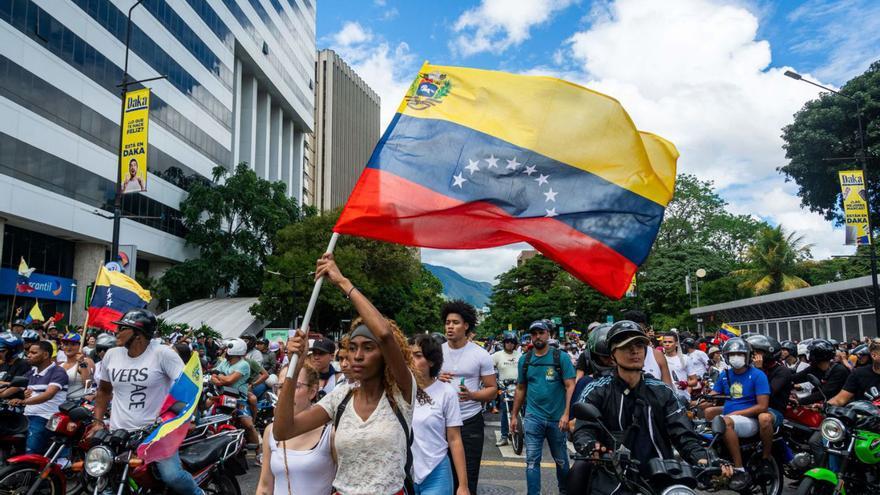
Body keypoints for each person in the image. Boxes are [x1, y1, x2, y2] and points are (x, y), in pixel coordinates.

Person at [273, 254, 416, 495]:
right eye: (352, 347)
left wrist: (342, 282)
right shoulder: (341, 397)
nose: (357, 356)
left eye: (368, 348)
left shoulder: (401, 392)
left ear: (385, 355)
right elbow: (283, 430)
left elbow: (384, 334)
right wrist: (294, 367)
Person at [571, 321, 721, 495]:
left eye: (639, 345)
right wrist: (591, 445)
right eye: (626, 346)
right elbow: (584, 430)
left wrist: (703, 458)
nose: (634, 351)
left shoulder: (662, 391)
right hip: (612, 476)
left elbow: (682, 433)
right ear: (612, 355)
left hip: (661, 476)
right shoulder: (597, 390)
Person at [88, 309, 202, 495]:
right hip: (119, 433)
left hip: (155, 434)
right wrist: (98, 422)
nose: (116, 332)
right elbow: (104, 390)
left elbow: (188, 386)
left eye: (122, 328)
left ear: (138, 334)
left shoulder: (163, 354)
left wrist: (186, 417)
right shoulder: (112, 355)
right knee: (105, 478)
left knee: (172, 476)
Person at [510, 320, 576, 495]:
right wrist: (514, 415)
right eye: (534, 333)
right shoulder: (525, 360)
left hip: (557, 419)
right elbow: (520, 388)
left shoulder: (560, 357)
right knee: (532, 461)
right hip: (533, 418)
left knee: (561, 461)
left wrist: (566, 414)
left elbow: (570, 385)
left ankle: (564, 491)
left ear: (549, 335)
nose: (537, 336)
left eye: (541, 333)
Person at [438, 300, 497, 494]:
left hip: (469, 420)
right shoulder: (436, 352)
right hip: (440, 421)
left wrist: (472, 395)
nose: (450, 326)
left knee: (468, 478)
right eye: (447, 322)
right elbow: (421, 381)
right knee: (442, 475)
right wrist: (436, 377)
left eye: (455, 322)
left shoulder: (480, 355)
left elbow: (492, 389)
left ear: (466, 326)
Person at [256, 363, 335, 495]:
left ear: (312, 392)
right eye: (281, 387)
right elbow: (265, 487)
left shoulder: (329, 433)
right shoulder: (271, 431)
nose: (286, 393)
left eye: (294, 386)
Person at [705, 337, 770, 490]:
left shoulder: (758, 375)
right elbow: (713, 395)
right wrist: (695, 402)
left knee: (725, 422)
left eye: (739, 354)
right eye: (732, 354)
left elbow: (762, 406)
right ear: (726, 357)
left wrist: (737, 413)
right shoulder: (725, 375)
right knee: (706, 415)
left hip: (749, 420)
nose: (735, 357)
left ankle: (739, 470)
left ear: (747, 356)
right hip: (731, 417)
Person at [409, 334, 469, 495]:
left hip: (436, 472)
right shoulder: (398, 392)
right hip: (403, 474)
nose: (411, 360)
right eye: (408, 355)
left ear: (431, 361)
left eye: (418, 355)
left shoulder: (446, 393)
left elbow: (454, 439)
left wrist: (463, 485)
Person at [4, 341, 68, 454]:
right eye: (28, 352)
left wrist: (23, 401)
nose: (29, 355)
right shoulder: (31, 372)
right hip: (26, 416)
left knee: (30, 453)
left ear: (45, 355)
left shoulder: (58, 372)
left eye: (33, 353)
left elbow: (48, 395)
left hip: (45, 418)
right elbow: (10, 389)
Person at [746, 334, 792, 472]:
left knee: (763, 418)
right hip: (752, 407)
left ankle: (766, 458)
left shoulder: (782, 371)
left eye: (757, 353)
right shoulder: (749, 370)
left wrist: (758, 370)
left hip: (773, 410)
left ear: (768, 353)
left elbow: (767, 392)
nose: (753, 356)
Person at [212, 339, 262, 450]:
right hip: (222, 396)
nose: (224, 351)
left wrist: (220, 377)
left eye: (226, 349)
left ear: (233, 351)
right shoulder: (224, 362)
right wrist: (220, 378)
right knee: (207, 413)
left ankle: (259, 452)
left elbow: (229, 380)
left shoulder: (243, 364)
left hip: (238, 398)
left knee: (248, 425)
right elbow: (213, 375)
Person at [791, 339, 850, 406]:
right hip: (823, 405)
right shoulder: (815, 368)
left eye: (810, 352)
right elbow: (796, 377)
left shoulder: (839, 371)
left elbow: (825, 392)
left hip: (840, 408)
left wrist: (799, 401)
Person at [623, 310, 673, 387]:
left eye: (640, 330)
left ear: (645, 330)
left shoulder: (657, 355)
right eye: (631, 332)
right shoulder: (618, 355)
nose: (635, 336)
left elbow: (669, 389)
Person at [829, 338, 880, 405]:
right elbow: (840, 400)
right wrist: (823, 406)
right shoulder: (859, 374)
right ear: (874, 355)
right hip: (865, 414)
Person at [492, 331, 521, 447]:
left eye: (512, 342)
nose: (510, 344)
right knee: (505, 412)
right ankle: (504, 436)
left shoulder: (520, 356)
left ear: (515, 344)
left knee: (522, 411)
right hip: (504, 388)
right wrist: (494, 380)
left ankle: (523, 432)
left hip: (519, 388)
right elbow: (488, 367)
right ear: (504, 343)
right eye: (507, 342)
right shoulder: (497, 355)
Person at [661, 331, 697, 402]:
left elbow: (694, 381)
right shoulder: (660, 359)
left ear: (676, 343)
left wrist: (686, 383)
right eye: (665, 342)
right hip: (665, 399)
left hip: (683, 398)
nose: (667, 344)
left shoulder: (685, 358)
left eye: (670, 342)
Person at [58, 333, 95, 401]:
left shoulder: (87, 361)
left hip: (80, 404)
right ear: (62, 346)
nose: (69, 347)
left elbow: (87, 384)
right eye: (66, 344)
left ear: (80, 346)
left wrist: (82, 363)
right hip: (62, 404)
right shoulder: (60, 366)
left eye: (73, 344)